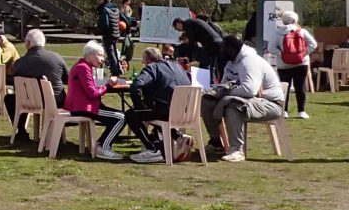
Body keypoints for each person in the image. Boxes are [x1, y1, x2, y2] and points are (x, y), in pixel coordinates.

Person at [203, 34, 286, 162]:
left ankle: (237, 150)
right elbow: (224, 83)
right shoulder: (231, 62)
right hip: (252, 100)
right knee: (207, 100)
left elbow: (249, 89)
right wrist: (214, 92)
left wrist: (225, 94)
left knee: (233, 106)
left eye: (223, 49)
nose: (221, 52)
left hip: (271, 103)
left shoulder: (249, 61)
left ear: (232, 49)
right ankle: (216, 143)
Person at [125, 47, 191, 164]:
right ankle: (178, 137)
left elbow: (136, 86)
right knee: (155, 110)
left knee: (131, 115)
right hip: (185, 111)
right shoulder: (178, 67)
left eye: (143, 61)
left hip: (165, 111)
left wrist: (140, 106)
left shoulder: (152, 68)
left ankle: (152, 148)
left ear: (147, 60)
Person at [65, 40, 126, 161]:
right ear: (91, 54)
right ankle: (103, 147)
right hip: (84, 107)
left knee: (116, 117)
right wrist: (108, 85)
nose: (102, 59)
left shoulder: (83, 66)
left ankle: (100, 143)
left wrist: (104, 84)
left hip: (83, 105)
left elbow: (90, 87)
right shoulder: (83, 68)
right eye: (100, 55)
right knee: (121, 117)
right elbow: (93, 93)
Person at [5, 29, 69, 141]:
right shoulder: (56, 58)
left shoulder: (19, 63)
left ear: (28, 43)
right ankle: (55, 131)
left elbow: (16, 86)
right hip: (55, 100)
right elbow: (68, 79)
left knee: (10, 99)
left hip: (28, 101)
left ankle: (21, 130)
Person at [273, 10, 317, 119]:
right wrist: (303, 54)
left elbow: (270, 48)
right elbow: (313, 44)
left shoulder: (277, 33)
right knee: (300, 86)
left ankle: (284, 111)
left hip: (283, 64)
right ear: (295, 20)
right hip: (301, 63)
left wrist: (282, 54)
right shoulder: (302, 31)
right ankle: (301, 111)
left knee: (284, 88)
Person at [94, 0, 124, 77]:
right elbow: (124, 19)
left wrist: (98, 31)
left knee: (111, 54)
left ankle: (115, 73)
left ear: (103, 0)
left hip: (108, 35)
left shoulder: (104, 9)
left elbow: (105, 24)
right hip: (115, 34)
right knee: (114, 53)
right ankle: (118, 70)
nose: (99, 2)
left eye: (100, 0)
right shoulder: (116, 9)